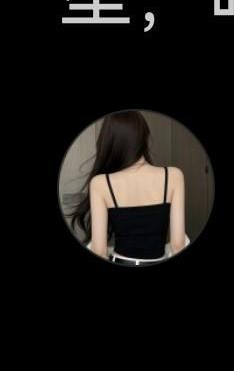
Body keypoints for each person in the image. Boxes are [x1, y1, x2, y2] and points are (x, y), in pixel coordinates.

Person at [68, 110, 187, 262]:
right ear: (145, 136)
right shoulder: (174, 175)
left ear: (109, 140)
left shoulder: (100, 183)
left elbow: (99, 250)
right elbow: (178, 245)